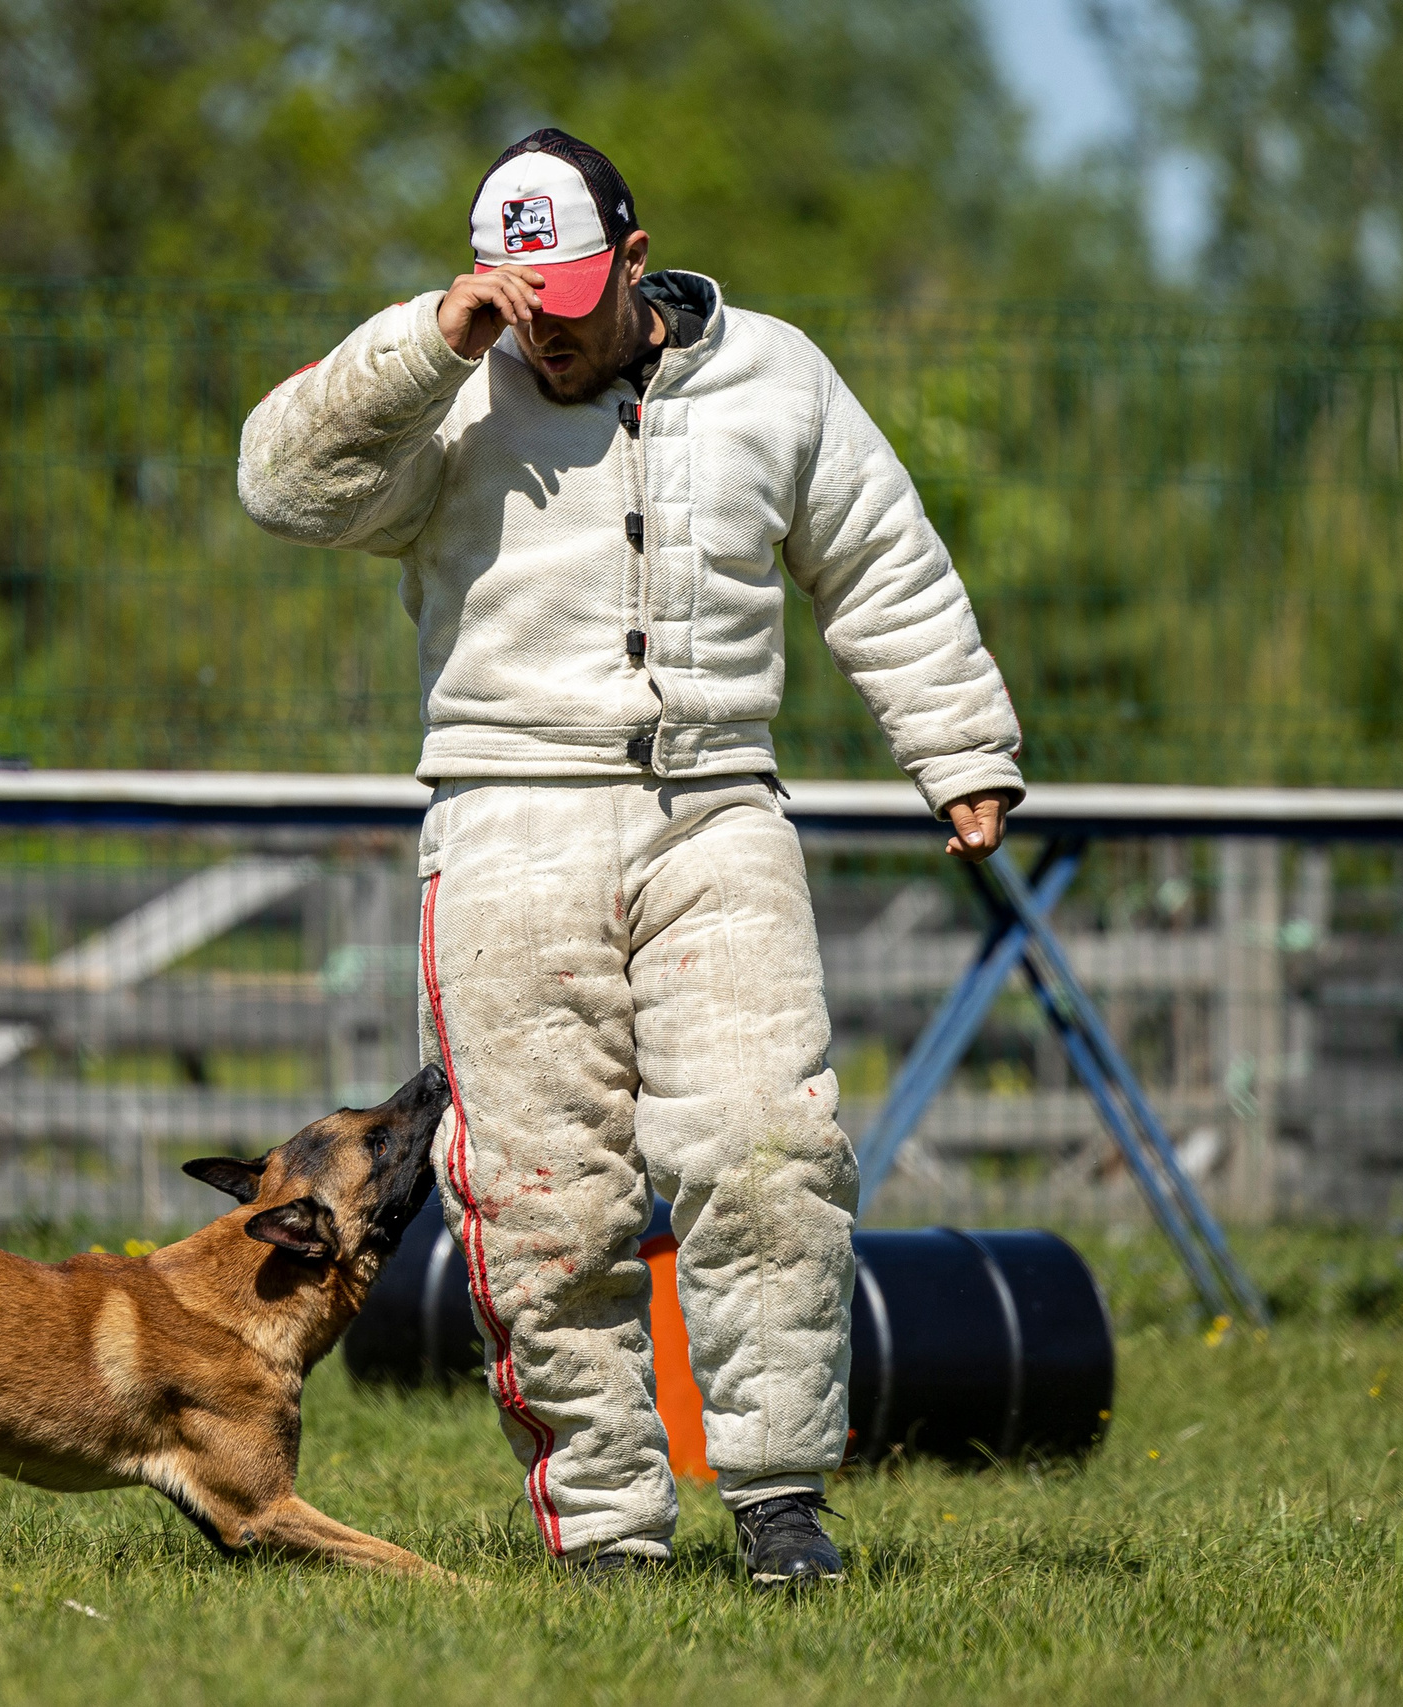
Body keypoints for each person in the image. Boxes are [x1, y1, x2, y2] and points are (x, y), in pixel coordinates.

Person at [237, 128, 1022, 1591]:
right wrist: (426, 338)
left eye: (579, 298)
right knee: (544, 1202)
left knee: (766, 1149)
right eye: (524, 302)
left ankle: (781, 1501)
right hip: (505, 822)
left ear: (638, 261)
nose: (554, 331)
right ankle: (607, 1534)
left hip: (719, 810)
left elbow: (877, 555)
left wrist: (960, 743)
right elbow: (280, 482)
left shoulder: (778, 376)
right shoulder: (449, 398)